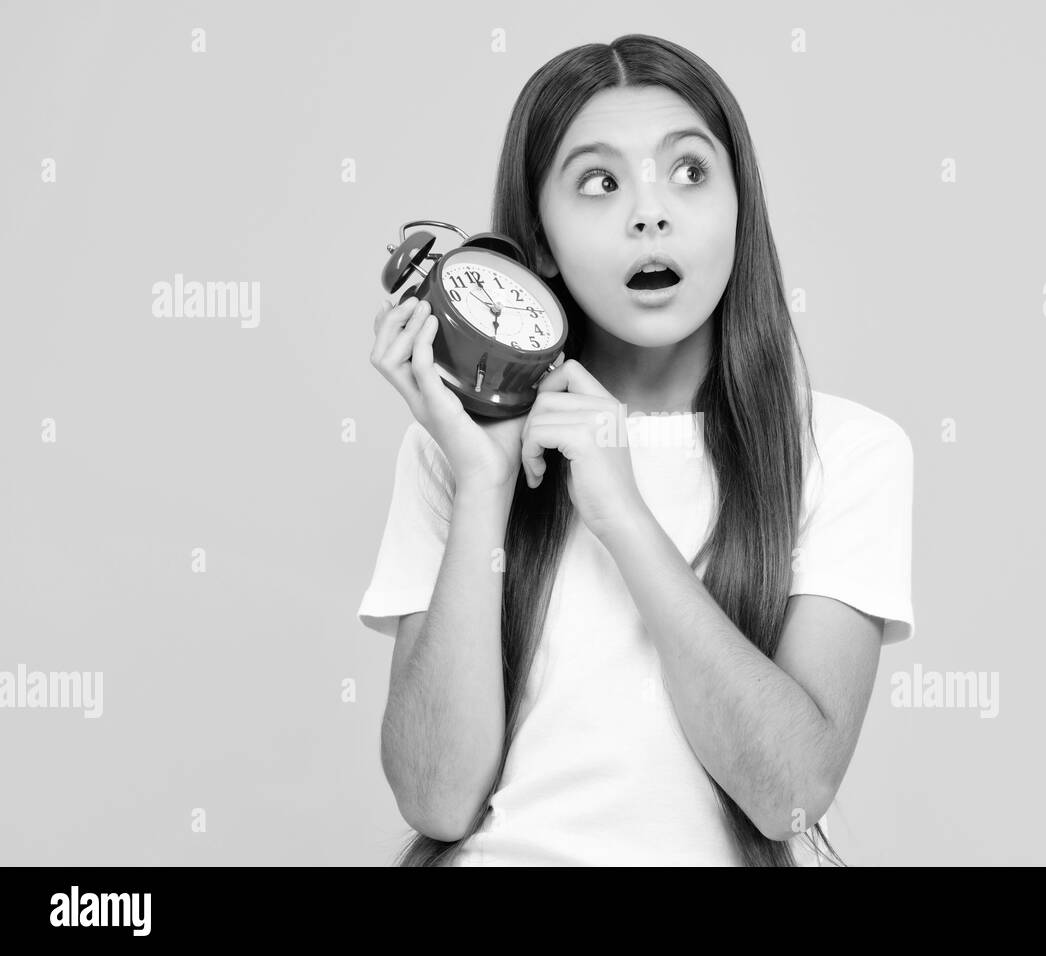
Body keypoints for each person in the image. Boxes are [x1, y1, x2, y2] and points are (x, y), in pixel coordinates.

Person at [358, 34, 915, 866]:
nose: (650, 213)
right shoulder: (451, 453)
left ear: (739, 208)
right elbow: (437, 799)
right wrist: (484, 485)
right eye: (599, 181)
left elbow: (789, 795)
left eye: (690, 172)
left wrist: (621, 512)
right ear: (538, 241)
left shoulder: (847, 451)